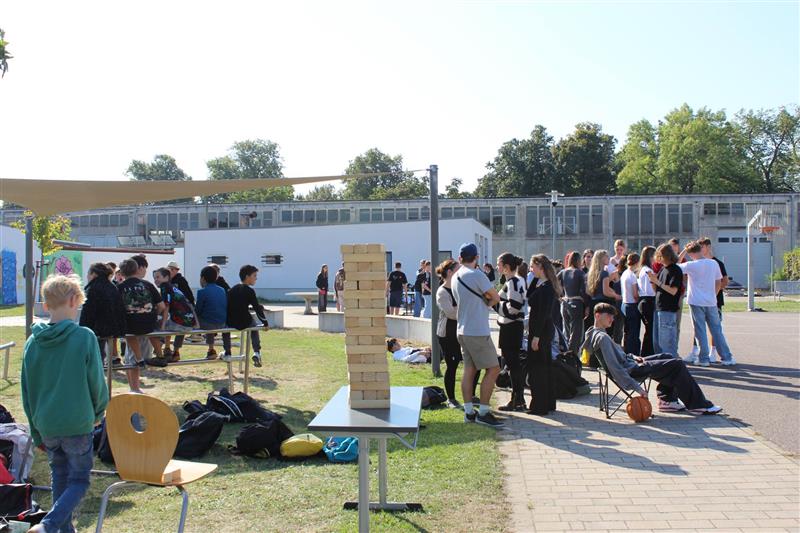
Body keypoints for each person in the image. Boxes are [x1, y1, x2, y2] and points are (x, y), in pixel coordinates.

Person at [21, 274, 109, 533]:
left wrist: (35, 430)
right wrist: (99, 411)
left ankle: (61, 530)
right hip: (77, 421)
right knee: (79, 481)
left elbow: (28, 392)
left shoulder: (31, 343)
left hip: (46, 423)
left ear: (46, 305)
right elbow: (96, 381)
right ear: (74, 301)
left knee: (59, 476)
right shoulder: (84, 337)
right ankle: (48, 525)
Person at [582, 303, 722, 414]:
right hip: (632, 370)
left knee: (666, 356)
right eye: (609, 316)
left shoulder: (595, 333)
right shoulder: (602, 338)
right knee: (676, 364)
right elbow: (616, 368)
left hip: (631, 363)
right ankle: (698, 404)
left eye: (613, 316)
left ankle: (667, 400)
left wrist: (633, 356)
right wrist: (637, 388)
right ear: (597, 315)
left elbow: (619, 357)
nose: (612, 319)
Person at [452, 242, 503, 427]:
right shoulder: (477, 275)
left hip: (463, 329)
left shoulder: (456, 276)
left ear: (460, 258)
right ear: (476, 258)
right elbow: (495, 297)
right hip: (478, 331)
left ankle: (468, 412)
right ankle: (483, 411)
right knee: (494, 368)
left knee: (469, 370)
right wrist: (487, 305)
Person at [680, 242, 736, 366]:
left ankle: (703, 358)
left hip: (696, 301)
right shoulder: (713, 263)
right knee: (717, 330)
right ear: (700, 249)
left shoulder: (690, 265)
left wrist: (684, 250)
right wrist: (713, 296)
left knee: (700, 331)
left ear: (690, 254)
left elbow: (675, 265)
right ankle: (727, 357)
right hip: (711, 301)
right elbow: (718, 282)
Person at [117, 258, 167, 392]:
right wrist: (152, 314)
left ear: (121, 272)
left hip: (129, 326)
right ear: (137, 269)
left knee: (131, 358)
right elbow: (161, 306)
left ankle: (135, 388)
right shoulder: (148, 285)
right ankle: (159, 355)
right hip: (148, 325)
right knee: (136, 357)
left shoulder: (119, 287)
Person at [435, 259, 479, 408]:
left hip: (464, 330)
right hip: (448, 333)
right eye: (458, 270)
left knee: (475, 363)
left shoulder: (459, 288)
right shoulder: (442, 291)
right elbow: (451, 313)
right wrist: (466, 307)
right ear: (449, 272)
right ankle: (452, 399)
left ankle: (472, 395)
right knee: (452, 365)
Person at [526, 254, 560, 415]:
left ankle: (539, 405)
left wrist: (536, 337)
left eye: (533, 267)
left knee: (538, 369)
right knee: (544, 366)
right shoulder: (543, 285)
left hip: (540, 331)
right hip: (541, 330)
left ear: (540, 267)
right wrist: (534, 277)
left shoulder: (547, 288)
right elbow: (529, 297)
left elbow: (544, 314)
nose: (531, 270)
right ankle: (547, 402)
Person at [496, 253, 527, 412]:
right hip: (511, 327)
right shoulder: (514, 281)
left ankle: (518, 400)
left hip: (511, 328)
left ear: (506, 267)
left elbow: (514, 307)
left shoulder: (513, 282)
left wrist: (497, 306)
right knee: (513, 365)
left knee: (513, 365)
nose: (497, 267)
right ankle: (518, 399)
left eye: (499, 264)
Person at [79, 262, 126, 365]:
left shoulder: (92, 288)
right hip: (111, 328)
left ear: (94, 274)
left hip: (96, 329)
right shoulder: (112, 287)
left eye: (89, 273)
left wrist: (82, 329)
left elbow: (87, 313)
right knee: (100, 357)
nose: (87, 276)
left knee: (94, 359)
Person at [153, 267, 199, 363]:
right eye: (154, 277)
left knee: (153, 328)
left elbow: (166, 307)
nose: (155, 280)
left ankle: (159, 356)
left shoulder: (164, 286)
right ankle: (166, 349)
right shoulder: (173, 287)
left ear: (166, 277)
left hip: (181, 324)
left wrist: (162, 326)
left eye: (158, 277)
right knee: (162, 323)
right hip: (189, 323)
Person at [227, 265, 270, 368]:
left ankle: (227, 350)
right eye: (254, 275)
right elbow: (257, 308)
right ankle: (256, 352)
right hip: (244, 322)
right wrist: (265, 323)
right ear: (247, 276)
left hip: (230, 321)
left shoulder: (232, 289)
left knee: (229, 328)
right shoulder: (250, 291)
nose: (256, 278)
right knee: (254, 327)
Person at [647, 244, 683, 357]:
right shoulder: (663, 269)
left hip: (668, 309)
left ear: (666, 256)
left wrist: (657, 282)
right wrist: (653, 280)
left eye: (659, 256)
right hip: (659, 308)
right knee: (657, 342)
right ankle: (662, 365)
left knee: (667, 342)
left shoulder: (675, 270)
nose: (657, 258)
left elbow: (673, 291)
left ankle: (671, 365)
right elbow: (657, 289)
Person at [700, 237, 729, 363]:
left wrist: (713, 294)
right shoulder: (699, 263)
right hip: (700, 301)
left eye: (702, 247)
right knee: (699, 327)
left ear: (708, 247)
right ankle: (698, 351)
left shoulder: (717, 263)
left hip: (714, 301)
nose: (700, 250)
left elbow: (725, 281)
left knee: (715, 328)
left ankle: (713, 352)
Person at [196, 265, 231, 360]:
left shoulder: (201, 291)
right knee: (210, 316)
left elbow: (198, 310)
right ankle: (215, 350)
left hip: (208, 324)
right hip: (222, 323)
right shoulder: (222, 290)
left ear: (202, 278)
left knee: (196, 317)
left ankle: (194, 337)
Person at [557, 251, 586, 356]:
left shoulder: (563, 272)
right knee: (576, 331)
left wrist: (560, 296)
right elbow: (584, 291)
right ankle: (572, 354)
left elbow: (553, 282)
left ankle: (565, 351)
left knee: (566, 330)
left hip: (565, 303)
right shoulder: (580, 273)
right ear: (578, 261)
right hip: (576, 302)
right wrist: (586, 305)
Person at [585, 250, 620, 336]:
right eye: (606, 257)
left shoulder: (590, 274)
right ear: (601, 259)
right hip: (605, 304)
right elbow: (606, 291)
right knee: (606, 331)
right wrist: (617, 295)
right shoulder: (604, 273)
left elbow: (588, 291)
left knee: (595, 330)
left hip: (593, 303)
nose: (609, 258)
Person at [637, 246, 658, 356]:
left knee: (649, 330)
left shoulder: (643, 269)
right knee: (650, 330)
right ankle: (647, 353)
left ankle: (646, 352)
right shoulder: (648, 271)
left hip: (643, 300)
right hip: (648, 300)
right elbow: (650, 290)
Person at [620, 252, 641, 355]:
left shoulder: (624, 273)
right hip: (632, 304)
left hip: (624, 304)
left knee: (627, 331)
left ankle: (627, 351)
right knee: (634, 332)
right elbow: (635, 294)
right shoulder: (632, 276)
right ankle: (634, 353)